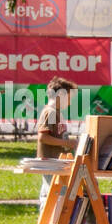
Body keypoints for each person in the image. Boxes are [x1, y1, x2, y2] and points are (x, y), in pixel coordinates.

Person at [35, 76, 77, 205]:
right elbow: (43, 137)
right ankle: (46, 223)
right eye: (69, 98)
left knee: (56, 193)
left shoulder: (57, 113)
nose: (69, 102)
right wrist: (67, 143)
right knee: (50, 195)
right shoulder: (50, 112)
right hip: (50, 162)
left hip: (56, 162)